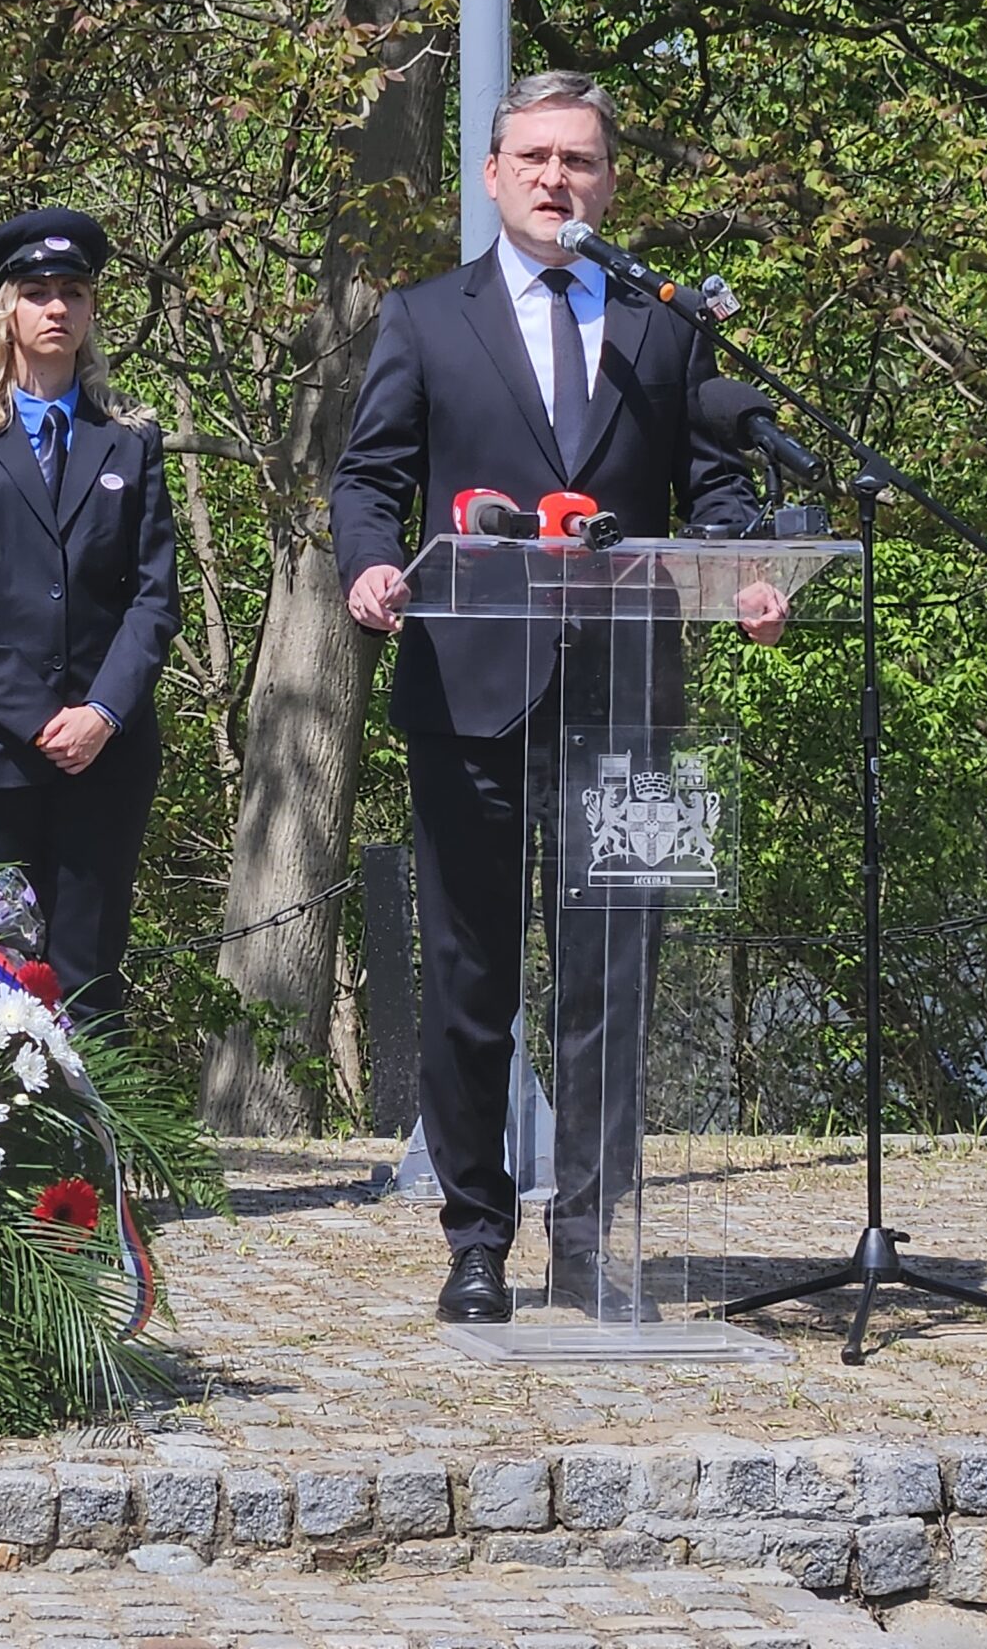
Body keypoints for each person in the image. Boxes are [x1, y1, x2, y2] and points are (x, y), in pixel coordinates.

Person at [329, 72, 787, 1325]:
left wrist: (747, 567)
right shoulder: (427, 319)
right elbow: (369, 478)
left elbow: (715, 487)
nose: (554, 180)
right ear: (490, 177)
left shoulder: (663, 325)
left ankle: (592, 1241)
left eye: (577, 161)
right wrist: (370, 563)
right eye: (532, 158)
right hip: (469, 687)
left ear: (608, 180)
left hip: (631, 694)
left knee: (612, 978)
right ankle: (477, 1238)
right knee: (473, 977)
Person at [0, 207, 180, 1031]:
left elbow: (154, 597)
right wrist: (42, 721)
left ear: (92, 311)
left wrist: (99, 714)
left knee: (87, 978)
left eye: (73, 291)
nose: (57, 306)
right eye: (37, 292)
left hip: (105, 759)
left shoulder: (129, 441)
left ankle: (89, 1160)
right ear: (9, 313)